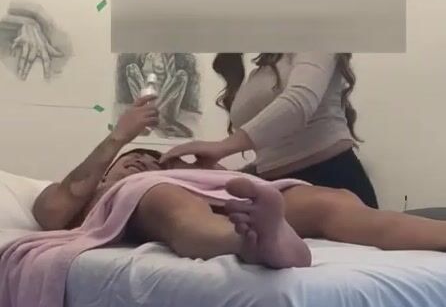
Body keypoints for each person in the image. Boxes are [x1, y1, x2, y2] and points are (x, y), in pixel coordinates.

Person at [32, 94, 446, 270]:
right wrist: (120, 138)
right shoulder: (104, 193)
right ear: (106, 175)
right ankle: (252, 242)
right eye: (133, 162)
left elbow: (229, 191)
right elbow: (53, 210)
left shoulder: (171, 178)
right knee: (168, 200)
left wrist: (212, 171)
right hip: (164, 201)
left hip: (206, 193)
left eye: (151, 161)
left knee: (329, 201)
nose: (145, 163)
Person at [161, 52, 379, 208]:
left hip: (330, 177)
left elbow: (298, 103)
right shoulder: (261, 71)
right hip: (278, 188)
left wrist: (222, 147)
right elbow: (274, 151)